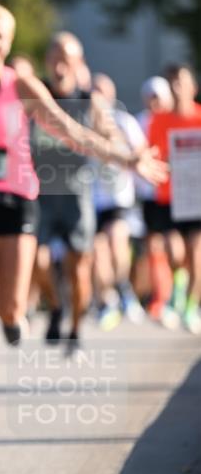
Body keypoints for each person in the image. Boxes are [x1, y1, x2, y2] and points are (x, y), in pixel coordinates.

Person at [0, 2, 165, 420]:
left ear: (9, 41)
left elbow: (72, 131)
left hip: (16, 201)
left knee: (10, 307)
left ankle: (15, 317)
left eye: (0, 35)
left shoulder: (22, 87)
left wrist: (127, 159)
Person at [31, 33, 124, 355]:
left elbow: (111, 135)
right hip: (40, 193)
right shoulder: (36, 96)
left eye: (66, 58)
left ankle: (74, 331)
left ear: (77, 64)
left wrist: (120, 153)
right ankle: (56, 306)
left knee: (79, 268)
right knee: (36, 260)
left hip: (77, 193)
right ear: (47, 60)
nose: (59, 64)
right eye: (54, 56)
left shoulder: (90, 101)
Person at [90, 73, 147, 329]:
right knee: (96, 251)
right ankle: (107, 299)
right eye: (95, 91)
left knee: (116, 242)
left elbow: (140, 153)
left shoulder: (124, 122)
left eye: (103, 91)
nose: (99, 96)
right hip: (91, 198)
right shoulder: (82, 123)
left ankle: (123, 287)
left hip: (119, 196)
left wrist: (113, 139)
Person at [147, 64, 201, 333]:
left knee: (196, 253)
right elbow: (153, 157)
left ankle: (191, 308)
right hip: (168, 198)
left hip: (196, 198)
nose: (177, 87)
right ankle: (178, 287)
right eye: (173, 82)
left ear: (194, 87)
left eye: (182, 81)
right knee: (174, 251)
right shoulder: (159, 120)